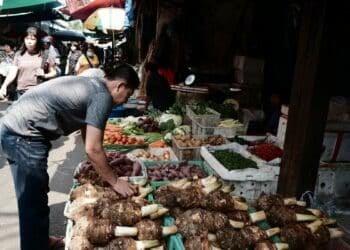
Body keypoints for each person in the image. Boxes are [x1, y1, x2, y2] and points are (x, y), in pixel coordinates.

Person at [0, 63, 140, 250]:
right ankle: (35, 246)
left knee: (33, 197)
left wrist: (97, 162)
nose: (124, 101)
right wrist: (115, 182)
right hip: (23, 136)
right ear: (120, 86)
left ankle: (39, 240)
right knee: (33, 201)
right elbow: (93, 149)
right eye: (128, 95)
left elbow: (88, 133)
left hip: (14, 128)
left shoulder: (92, 84)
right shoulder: (102, 96)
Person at [0, 27, 56, 100]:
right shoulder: (19, 54)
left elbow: (53, 72)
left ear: (38, 40)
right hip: (21, 93)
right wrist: (4, 86)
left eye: (33, 39)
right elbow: (12, 73)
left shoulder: (45, 55)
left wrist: (44, 75)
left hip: (39, 93)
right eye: (27, 38)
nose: (29, 42)